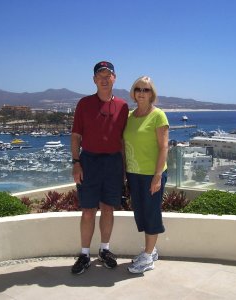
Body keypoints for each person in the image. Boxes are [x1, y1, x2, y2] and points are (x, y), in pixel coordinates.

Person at [70, 61, 129, 275]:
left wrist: (123, 170)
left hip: (113, 162)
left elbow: (122, 140)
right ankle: (84, 254)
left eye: (108, 75)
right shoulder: (84, 104)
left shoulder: (123, 106)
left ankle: (105, 250)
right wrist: (76, 163)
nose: (104, 79)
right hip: (89, 162)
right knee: (87, 211)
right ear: (94, 79)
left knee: (108, 208)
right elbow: (76, 136)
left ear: (114, 78)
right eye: (100, 75)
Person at [123, 76, 169, 274]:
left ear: (152, 94)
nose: (142, 92)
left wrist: (157, 176)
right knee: (141, 213)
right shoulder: (129, 117)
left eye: (146, 90)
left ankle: (148, 257)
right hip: (134, 174)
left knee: (151, 213)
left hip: (152, 174)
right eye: (139, 89)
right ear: (133, 92)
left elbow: (164, 146)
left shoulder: (158, 115)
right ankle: (151, 250)